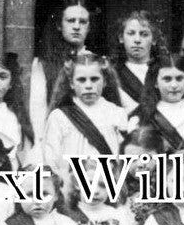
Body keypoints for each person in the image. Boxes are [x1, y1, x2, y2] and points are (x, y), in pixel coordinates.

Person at [43, 53, 134, 185]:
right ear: (71, 83)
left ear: (105, 81)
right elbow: (51, 159)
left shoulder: (117, 113)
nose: (88, 85)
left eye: (94, 79)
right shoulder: (59, 116)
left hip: (107, 185)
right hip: (71, 185)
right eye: (81, 80)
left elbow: (123, 157)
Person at [29, 0, 94, 138]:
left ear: (88, 27)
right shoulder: (43, 64)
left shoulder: (97, 63)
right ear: (59, 25)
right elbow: (38, 112)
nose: (77, 26)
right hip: (58, 137)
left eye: (82, 22)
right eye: (71, 21)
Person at [130, 52, 184, 152]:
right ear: (155, 82)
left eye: (179, 78)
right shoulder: (140, 119)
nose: (174, 85)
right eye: (167, 79)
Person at [111, 10, 167, 107]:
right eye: (131, 33)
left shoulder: (165, 69)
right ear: (121, 38)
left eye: (144, 34)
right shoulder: (113, 72)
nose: (137, 40)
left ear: (154, 40)